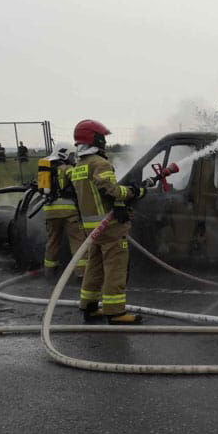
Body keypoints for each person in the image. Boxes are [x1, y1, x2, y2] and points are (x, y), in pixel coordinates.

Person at [69, 119, 145, 325]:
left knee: (95, 266)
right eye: (102, 138)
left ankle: (90, 306)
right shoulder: (99, 163)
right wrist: (133, 192)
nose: (104, 142)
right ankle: (115, 312)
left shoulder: (79, 166)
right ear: (95, 138)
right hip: (109, 226)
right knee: (115, 267)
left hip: (91, 228)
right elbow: (111, 190)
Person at [41, 143, 86, 277]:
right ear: (64, 154)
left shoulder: (46, 169)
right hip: (69, 211)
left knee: (52, 241)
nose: (73, 158)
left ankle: (49, 272)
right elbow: (79, 182)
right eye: (72, 155)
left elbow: (43, 190)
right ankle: (82, 273)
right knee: (77, 241)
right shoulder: (67, 169)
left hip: (50, 210)